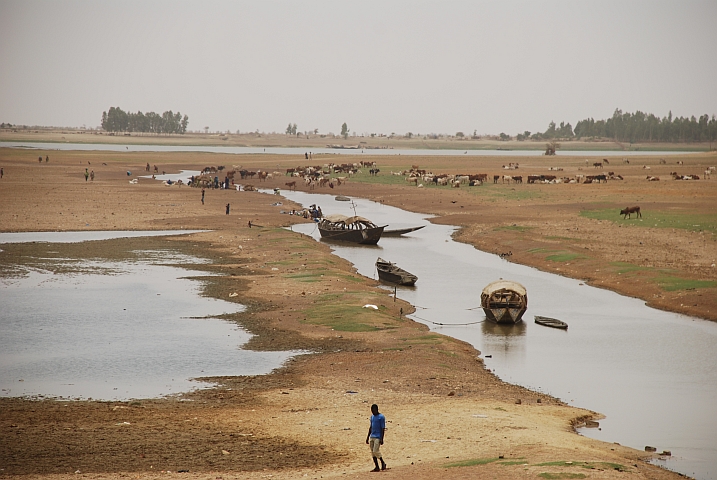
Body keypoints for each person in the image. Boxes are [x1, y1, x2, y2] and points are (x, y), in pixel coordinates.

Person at [366, 404, 387, 472]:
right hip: (372, 436)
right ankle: (377, 466)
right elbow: (371, 427)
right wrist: (367, 437)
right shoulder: (372, 417)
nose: (372, 412)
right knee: (372, 452)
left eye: (373, 410)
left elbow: (382, 428)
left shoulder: (381, 417)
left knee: (375, 451)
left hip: (378, 436)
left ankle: (382, 462)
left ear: (376, 409)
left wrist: (382, 438)